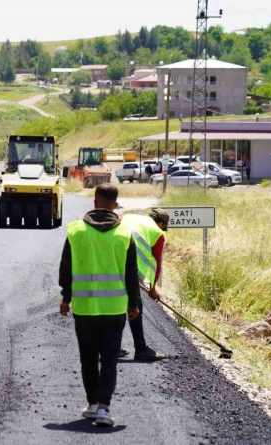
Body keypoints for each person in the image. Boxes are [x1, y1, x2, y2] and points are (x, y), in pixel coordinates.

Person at [59, 183, 140, 428]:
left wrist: (66, 298)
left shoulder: (76, 231)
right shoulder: (125, 234)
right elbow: (131, 275)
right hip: (114, 309)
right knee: (110, 359)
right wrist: (133, 305)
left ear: (94, 202)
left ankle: (92, 404)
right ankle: (104, 409)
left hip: (85, 309)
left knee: (88, 358)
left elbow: (66, 268)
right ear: (115, 205)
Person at [118, 208, 169, 361]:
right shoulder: (157, 232)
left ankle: (110, 347)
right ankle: (141, 350)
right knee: (135, 306)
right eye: (164, 227)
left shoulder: (127, 217)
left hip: (110, 261)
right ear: (160, 223)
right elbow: (158, 262)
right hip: (132, 268)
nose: (163, 230)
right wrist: (153, 288)